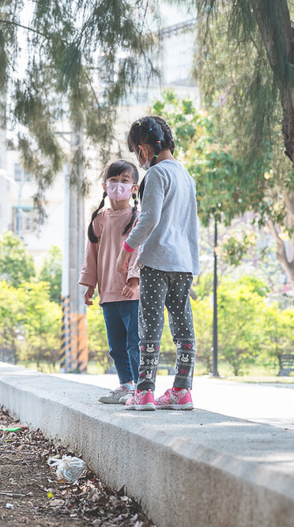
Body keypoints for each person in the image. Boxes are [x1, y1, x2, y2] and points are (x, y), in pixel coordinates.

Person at [117, 116, 200, 411]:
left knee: (150, 324)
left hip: (156, 261)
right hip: (184, 262)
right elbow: (190, 224)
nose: (137, 159)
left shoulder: (156, 174)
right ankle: (182, 389)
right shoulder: (185, 175)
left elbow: (149, 218)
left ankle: (144, 391)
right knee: (182, 324)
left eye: (135, 153)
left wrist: (128, 248)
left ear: (143, 149)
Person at [79, 160, 142, 404]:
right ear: (105, 186)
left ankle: (141, 388)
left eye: (125, 181)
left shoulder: (138, 218)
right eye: (114, 181)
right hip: (107, 294)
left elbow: (139, 250)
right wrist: (89, 286)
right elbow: (91, 256)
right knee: (116, 346)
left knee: (134, 344)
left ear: (134, 188)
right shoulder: (99, 221)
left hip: (131, 295)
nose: (119, 186)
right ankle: (125, 386)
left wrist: (134, 281)